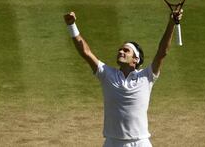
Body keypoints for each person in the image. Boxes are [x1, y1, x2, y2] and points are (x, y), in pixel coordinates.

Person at [63, 9, 183, 147]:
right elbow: (86, 52)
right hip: (113, 143)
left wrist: (171, 23)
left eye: (126, 50)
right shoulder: (106, 74)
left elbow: (162, 52)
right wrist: (71, 26)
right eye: (120, 49)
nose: (121, 51)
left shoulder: (147, 76)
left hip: (140, 143)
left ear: (136, 59)